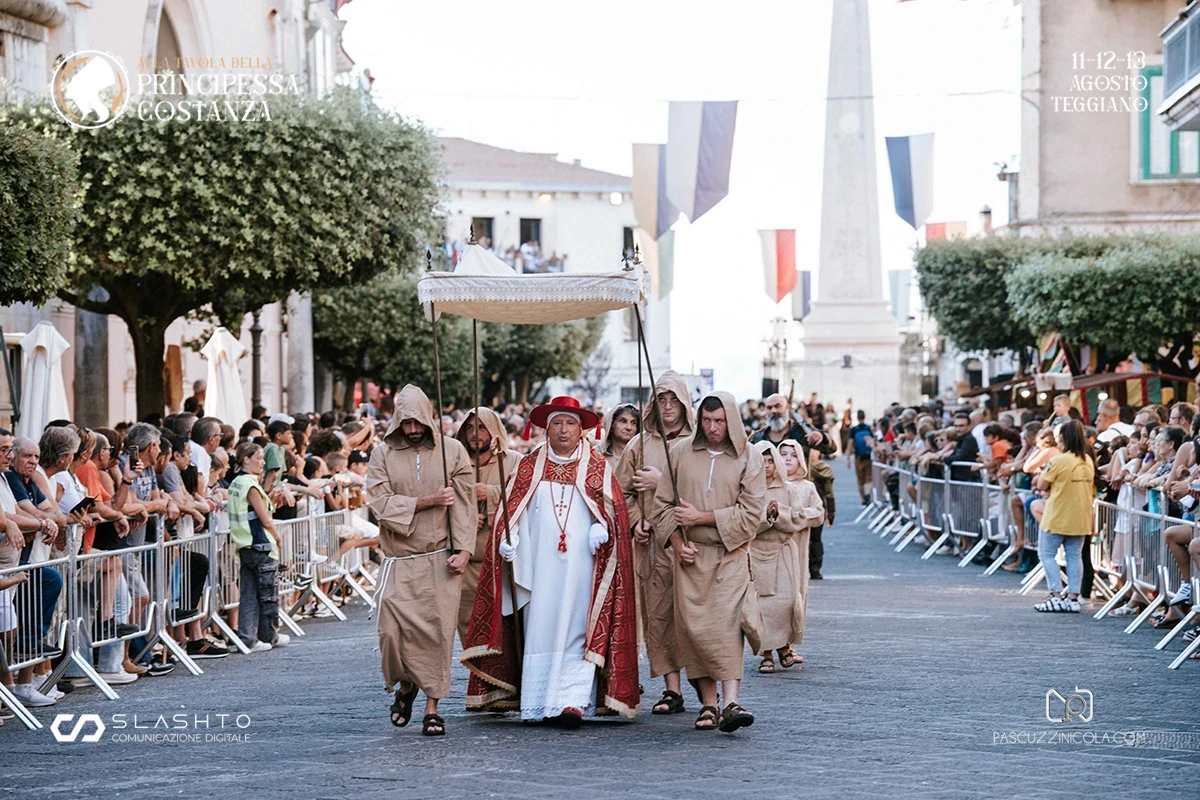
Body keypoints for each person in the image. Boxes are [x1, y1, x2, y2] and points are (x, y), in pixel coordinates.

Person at [463, 396, 639, 727]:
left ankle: (573, 701)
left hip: (582, 568)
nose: (563, 430)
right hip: (538, 568)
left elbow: (614, 512)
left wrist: (602, 528)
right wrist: (509, 540)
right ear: (547, 428)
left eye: (570, 423)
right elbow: (511, 513)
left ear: (581, 429)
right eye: (557, 423)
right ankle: (538, 700)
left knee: (578, 630)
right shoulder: (528, 466)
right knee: (540, 630)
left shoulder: (597, 468)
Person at [652, 391, 765, 733]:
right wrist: (676, 544)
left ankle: (731, 702)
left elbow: (751, 514)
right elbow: (662, 507)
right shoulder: (679, 452)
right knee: (695, 632)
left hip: (730, 555)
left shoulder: (750, 457)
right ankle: (709, 704)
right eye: (707, 420)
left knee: (727, 629)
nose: (713, 427)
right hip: (691, 558)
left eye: (719, 421)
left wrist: (701, 517)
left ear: (731, 421)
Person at [366, 384, 474, 737]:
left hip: (440, 558)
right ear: (397, 421)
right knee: (390, 633)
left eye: (418, 423)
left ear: (429, 418)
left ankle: (432, 706)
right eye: (406, 423)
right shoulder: (382, 454)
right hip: (399, 560)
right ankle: (406, 685)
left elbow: (464, 504)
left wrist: (464, 550)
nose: (412, 430)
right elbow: (379, 503)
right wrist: (427, 501)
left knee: (437, 637)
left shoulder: (453, 451)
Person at [615, 370, 694, 716]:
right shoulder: (639, 446)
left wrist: (661, 482)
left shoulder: (699, 443)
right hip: (654, 548)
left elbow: (708, 490)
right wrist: (636, 521)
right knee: (659, 616)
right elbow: (620, 493)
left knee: (696, 616)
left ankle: (707, 686)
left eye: (674, 399)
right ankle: (672, 688)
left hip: (693, 544)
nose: (668, 406)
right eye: (661, 399)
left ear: (685, 402)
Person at [751, 441, 823, 675]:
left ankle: (785, 646)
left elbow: (799, 518)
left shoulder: (790, 489)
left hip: (785, 552)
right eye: (762, 461)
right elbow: (743, 522)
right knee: (762, 605)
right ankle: (767, 654)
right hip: (758, 554)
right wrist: (766, 517)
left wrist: (780, 514)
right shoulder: (749, 491)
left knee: (787, 602)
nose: (767, 465)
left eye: (770, 460)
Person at [454, 407, 521, 644]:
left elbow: (524, 497)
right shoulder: (455, 461)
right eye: (469, 428)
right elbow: (444, 500)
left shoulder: (513, 460)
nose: (475, 434)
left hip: (503, 561)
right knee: (469, 624)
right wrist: (467, 517)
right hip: (467, 561)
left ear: (493, 429)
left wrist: (491, 493)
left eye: (481, 427)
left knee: (506, 626)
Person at [227, 442, 290, 653]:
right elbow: (264, 519)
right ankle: (269, 636)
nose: (263, 463)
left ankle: (247, 638)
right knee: (268, 595)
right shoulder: (250, 485)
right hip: (260, 544)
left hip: (244, 545)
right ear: (246, 459)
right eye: (259, 458)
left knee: (248, 594)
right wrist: (277, 537)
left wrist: (270, 501)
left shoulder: (236, 483)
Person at [1033, 420, 1096, 613]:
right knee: (1074, 556)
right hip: (1081, 515)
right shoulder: (1087, 460)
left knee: (1047, 554)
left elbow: (1041, 484)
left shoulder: (1058, 460)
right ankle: (1073, 598)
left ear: (1063, 439)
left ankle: (1055, 595)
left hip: (1058, 514)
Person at [749, 393, 835, 462]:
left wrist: (821, 436)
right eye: (769, 408)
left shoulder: (802, 432)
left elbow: (831, 449)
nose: (773, 411)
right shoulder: (758, 437)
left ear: (788, 408)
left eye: (777, 406)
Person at [598, 403, 639, 468]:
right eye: (623, 421)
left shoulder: (642, 456)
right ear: (611, 425)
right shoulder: (596, 454)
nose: (629, 427)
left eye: (633, 423)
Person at [847, 410, 874, 504]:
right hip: (868, 457)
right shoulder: (869, 428)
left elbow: (850, 444)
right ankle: (868, 493)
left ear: (857, 417)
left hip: (858, 457)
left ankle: (863, 499)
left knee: (860, 480)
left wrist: (848, 457)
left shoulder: (854, 429)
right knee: (869, 477)